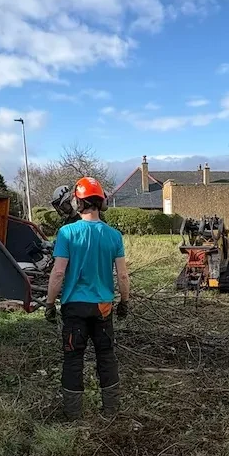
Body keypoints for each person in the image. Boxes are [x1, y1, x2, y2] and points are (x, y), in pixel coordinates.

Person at [44, 177, 130, 421]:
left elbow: (58, 272)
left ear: (78, 203)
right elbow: (122, 275)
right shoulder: (114, 235)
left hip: (73, 308)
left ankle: (73, 415)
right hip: (103, 307)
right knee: (106, 356)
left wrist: (50, 304)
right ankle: (111, 411)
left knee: (73, 359)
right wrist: (124, 302)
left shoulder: (67, 233)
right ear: (101, 203)